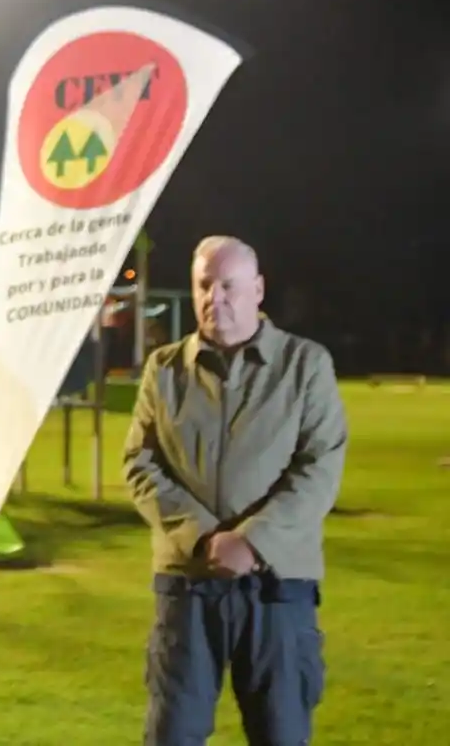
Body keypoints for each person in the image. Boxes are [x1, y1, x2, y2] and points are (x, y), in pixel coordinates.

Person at [123, 235, 348, 745]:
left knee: (281, 734)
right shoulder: (164, 370)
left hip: (277, 589)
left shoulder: (305, 365)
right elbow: (140, 463)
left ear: (258, 290)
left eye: (229, 285)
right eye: (205, 285)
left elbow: (321, 466)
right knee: (171, 736)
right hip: (187, 585)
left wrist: (254, 541)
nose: (214, 297)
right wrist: (203, 539)